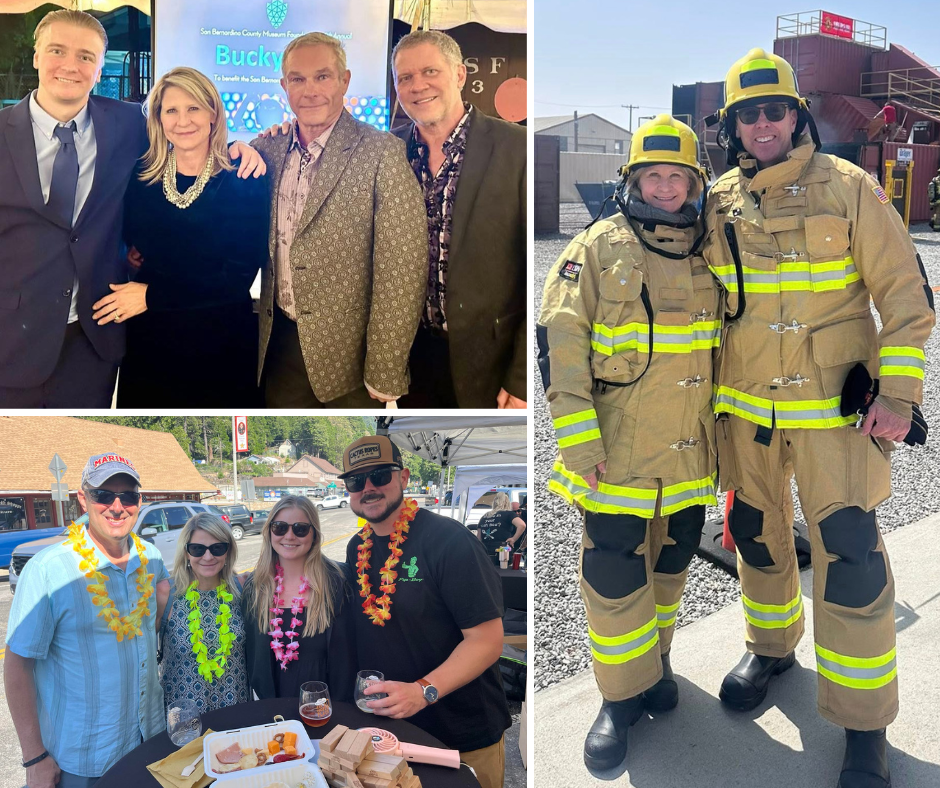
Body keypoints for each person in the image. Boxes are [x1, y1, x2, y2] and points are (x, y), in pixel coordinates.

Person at [703, 49, 935, 788]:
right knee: (756, 539)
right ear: (733, 127)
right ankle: (772, 649)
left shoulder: (851, 188)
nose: (763, 123)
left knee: (852, 559)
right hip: (746, 415)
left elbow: (904, 295)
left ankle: (865, 724)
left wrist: (899, 396)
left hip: (838, 421)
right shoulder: (715, 202)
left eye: (775, 109)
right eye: (749, 113)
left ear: (795, 115)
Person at [538, 115, 720, 770]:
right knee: (614, 576)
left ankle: (656, 668)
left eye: (678, 176)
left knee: (670, 570)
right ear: (632, 180)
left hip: (691, 458)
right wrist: (580, 448)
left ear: (696, 184)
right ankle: (618, 698)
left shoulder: (711, 248)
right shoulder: (593, 247)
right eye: (654, 175)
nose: (667, 188)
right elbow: (559, 352)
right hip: (614, 455)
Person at [0, 9, 265, 408]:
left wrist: (242, 147)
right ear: (36, 56)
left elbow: (195, 152)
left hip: (99, 339)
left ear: (100, 66)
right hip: (15, 340)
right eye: (57, 50)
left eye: (86, 56)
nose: (71, 66)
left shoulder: (125, 127)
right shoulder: (146, 164)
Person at [251, 32, 427, 408]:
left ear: (344, 81)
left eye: (323, 76)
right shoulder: (265, 149)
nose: (310, 90)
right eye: (298, 79)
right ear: (284, 86)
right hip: (279, 345)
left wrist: (386, 368)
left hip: (352, 363)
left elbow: (402, 269)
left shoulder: (383, 153)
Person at [92, 67, 269, 407]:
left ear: (213, 114)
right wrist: (130, 256)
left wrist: (152, 296)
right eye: (171, 110)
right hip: (151, 342)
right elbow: (131, 241)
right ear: (158, 119)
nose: (183, 120)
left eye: (194, 108)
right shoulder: (141, 176)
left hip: (218, 343)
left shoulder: (243, 176)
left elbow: (237, 277)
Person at [340, 435, 510, 788]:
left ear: (403, 478)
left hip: (461, 735)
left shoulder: (450, 541)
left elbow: (487, 641)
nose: (368, 488)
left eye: (380, 476)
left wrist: (422, 691)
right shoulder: (357, 547)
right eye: (356, 481)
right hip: (391, 734)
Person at [4, 453, 171, 788]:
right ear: (83, 498)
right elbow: (17, 665)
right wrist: (34, 757)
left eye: (128, 495)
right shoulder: (50, 569)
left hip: (149, 744)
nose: (117, 505)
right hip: (84, 758)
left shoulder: (150, 558)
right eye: (104, 495)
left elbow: (151, 623)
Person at [390, 30, 527, 409]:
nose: (418, 86)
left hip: (490, 365)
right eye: (405, 77)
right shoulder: (388, 150)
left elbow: (536, 277)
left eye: (430, 71)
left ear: (460, 74)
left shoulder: (516, 149)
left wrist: (521, 379)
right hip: (412, 360)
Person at [239, 495, 355, 701]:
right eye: (280, 527)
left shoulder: (338, 583)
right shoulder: (255, 587)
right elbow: (252, 657)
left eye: (300, 528)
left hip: (326, 708)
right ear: (269, 532)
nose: (289, 536)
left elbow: (349, 655)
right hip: (273, 709)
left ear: (314, 534)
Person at [160, 513, 250, 714]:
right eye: (197, 549)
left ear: (228, 552)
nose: (208, 557)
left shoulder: (242, 589)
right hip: (184, 721)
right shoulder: (166, 592)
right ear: (186, 553)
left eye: (217, 548)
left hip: (235, 712)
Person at [475, 492, 526, 565]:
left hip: (485, 551)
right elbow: (522, 525)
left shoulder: (485, 516)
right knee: (504, 572)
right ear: (507, 503)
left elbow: (479, 538)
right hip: (503, 550)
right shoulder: (509, 514)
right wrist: (513, 539)